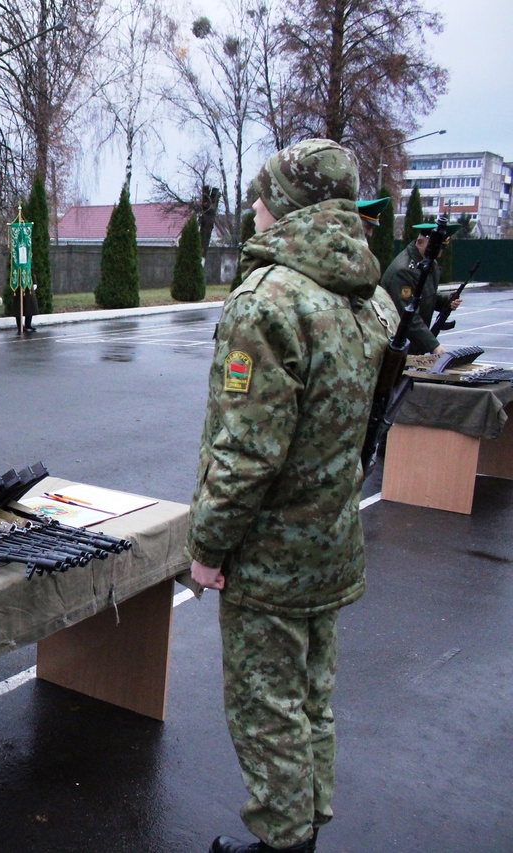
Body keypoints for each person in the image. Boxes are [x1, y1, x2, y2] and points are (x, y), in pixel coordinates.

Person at [187, 139, 397, 853]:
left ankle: (283, 839)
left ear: (288, 203)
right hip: (331, 544)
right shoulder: (363, 297)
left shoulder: (270, 300)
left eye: (262, 192)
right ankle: (304, 824)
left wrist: (209, 548)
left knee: (266, 707)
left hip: (269, 558)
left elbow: (247, 453)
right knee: (310, 700)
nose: (253, 205)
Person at [379, 221, 461, 355]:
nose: (439, 254)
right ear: (419, 243)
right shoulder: (404, 270)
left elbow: (425, 293)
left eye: (441, 248)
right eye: (436, 248)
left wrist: (446, 301)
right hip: (396, 344)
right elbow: (407, 315)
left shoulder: (428, 262)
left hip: (411, 343)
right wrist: (434, 346)